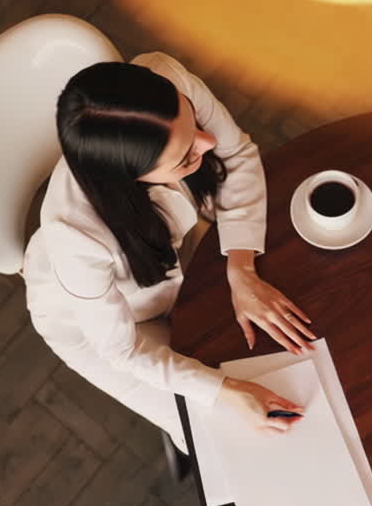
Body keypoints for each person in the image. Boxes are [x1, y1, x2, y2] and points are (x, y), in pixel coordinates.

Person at [23, 53, 315, 450]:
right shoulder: (75, 239)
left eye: (194, 122)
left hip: (175, 250)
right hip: (108, 329)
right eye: (186, 156)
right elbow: (122, 351)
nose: (208, 141)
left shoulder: (165, 77)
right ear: (131, 180)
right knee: (219, 438)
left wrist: (241, 269)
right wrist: (224, 390)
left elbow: (238, 154)